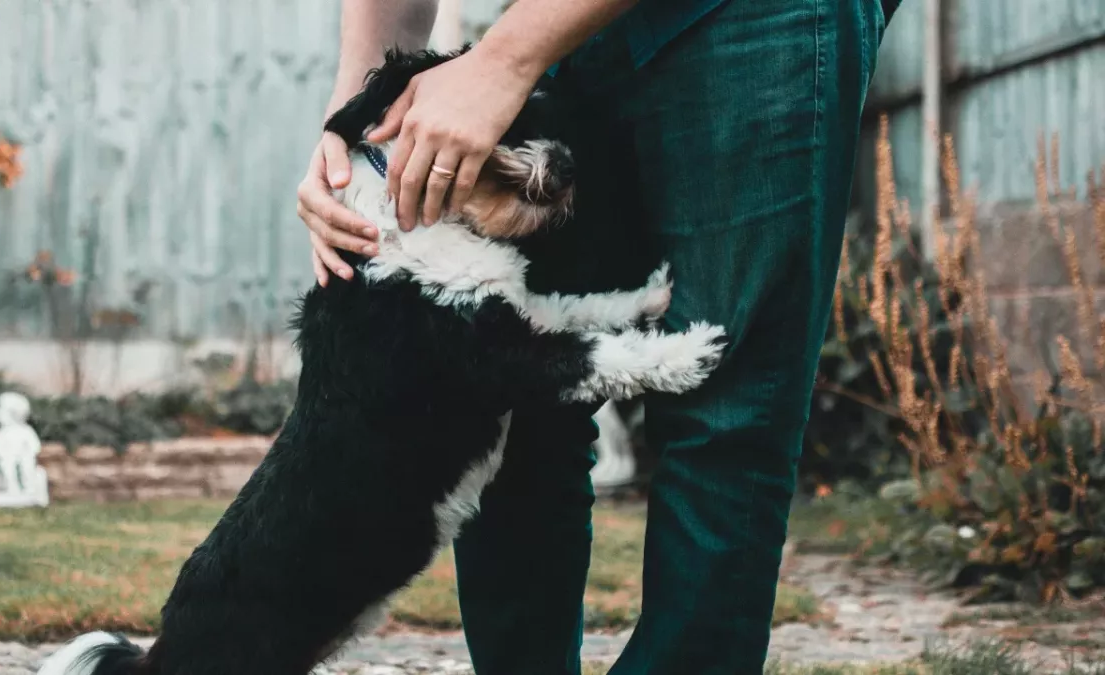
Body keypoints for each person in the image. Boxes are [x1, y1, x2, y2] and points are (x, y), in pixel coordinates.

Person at [297, 0, 899, 672]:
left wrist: (502, 60)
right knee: (514, 400)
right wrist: (353, 119)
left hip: (753, 17)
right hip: (548, 24)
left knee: (726, 405)